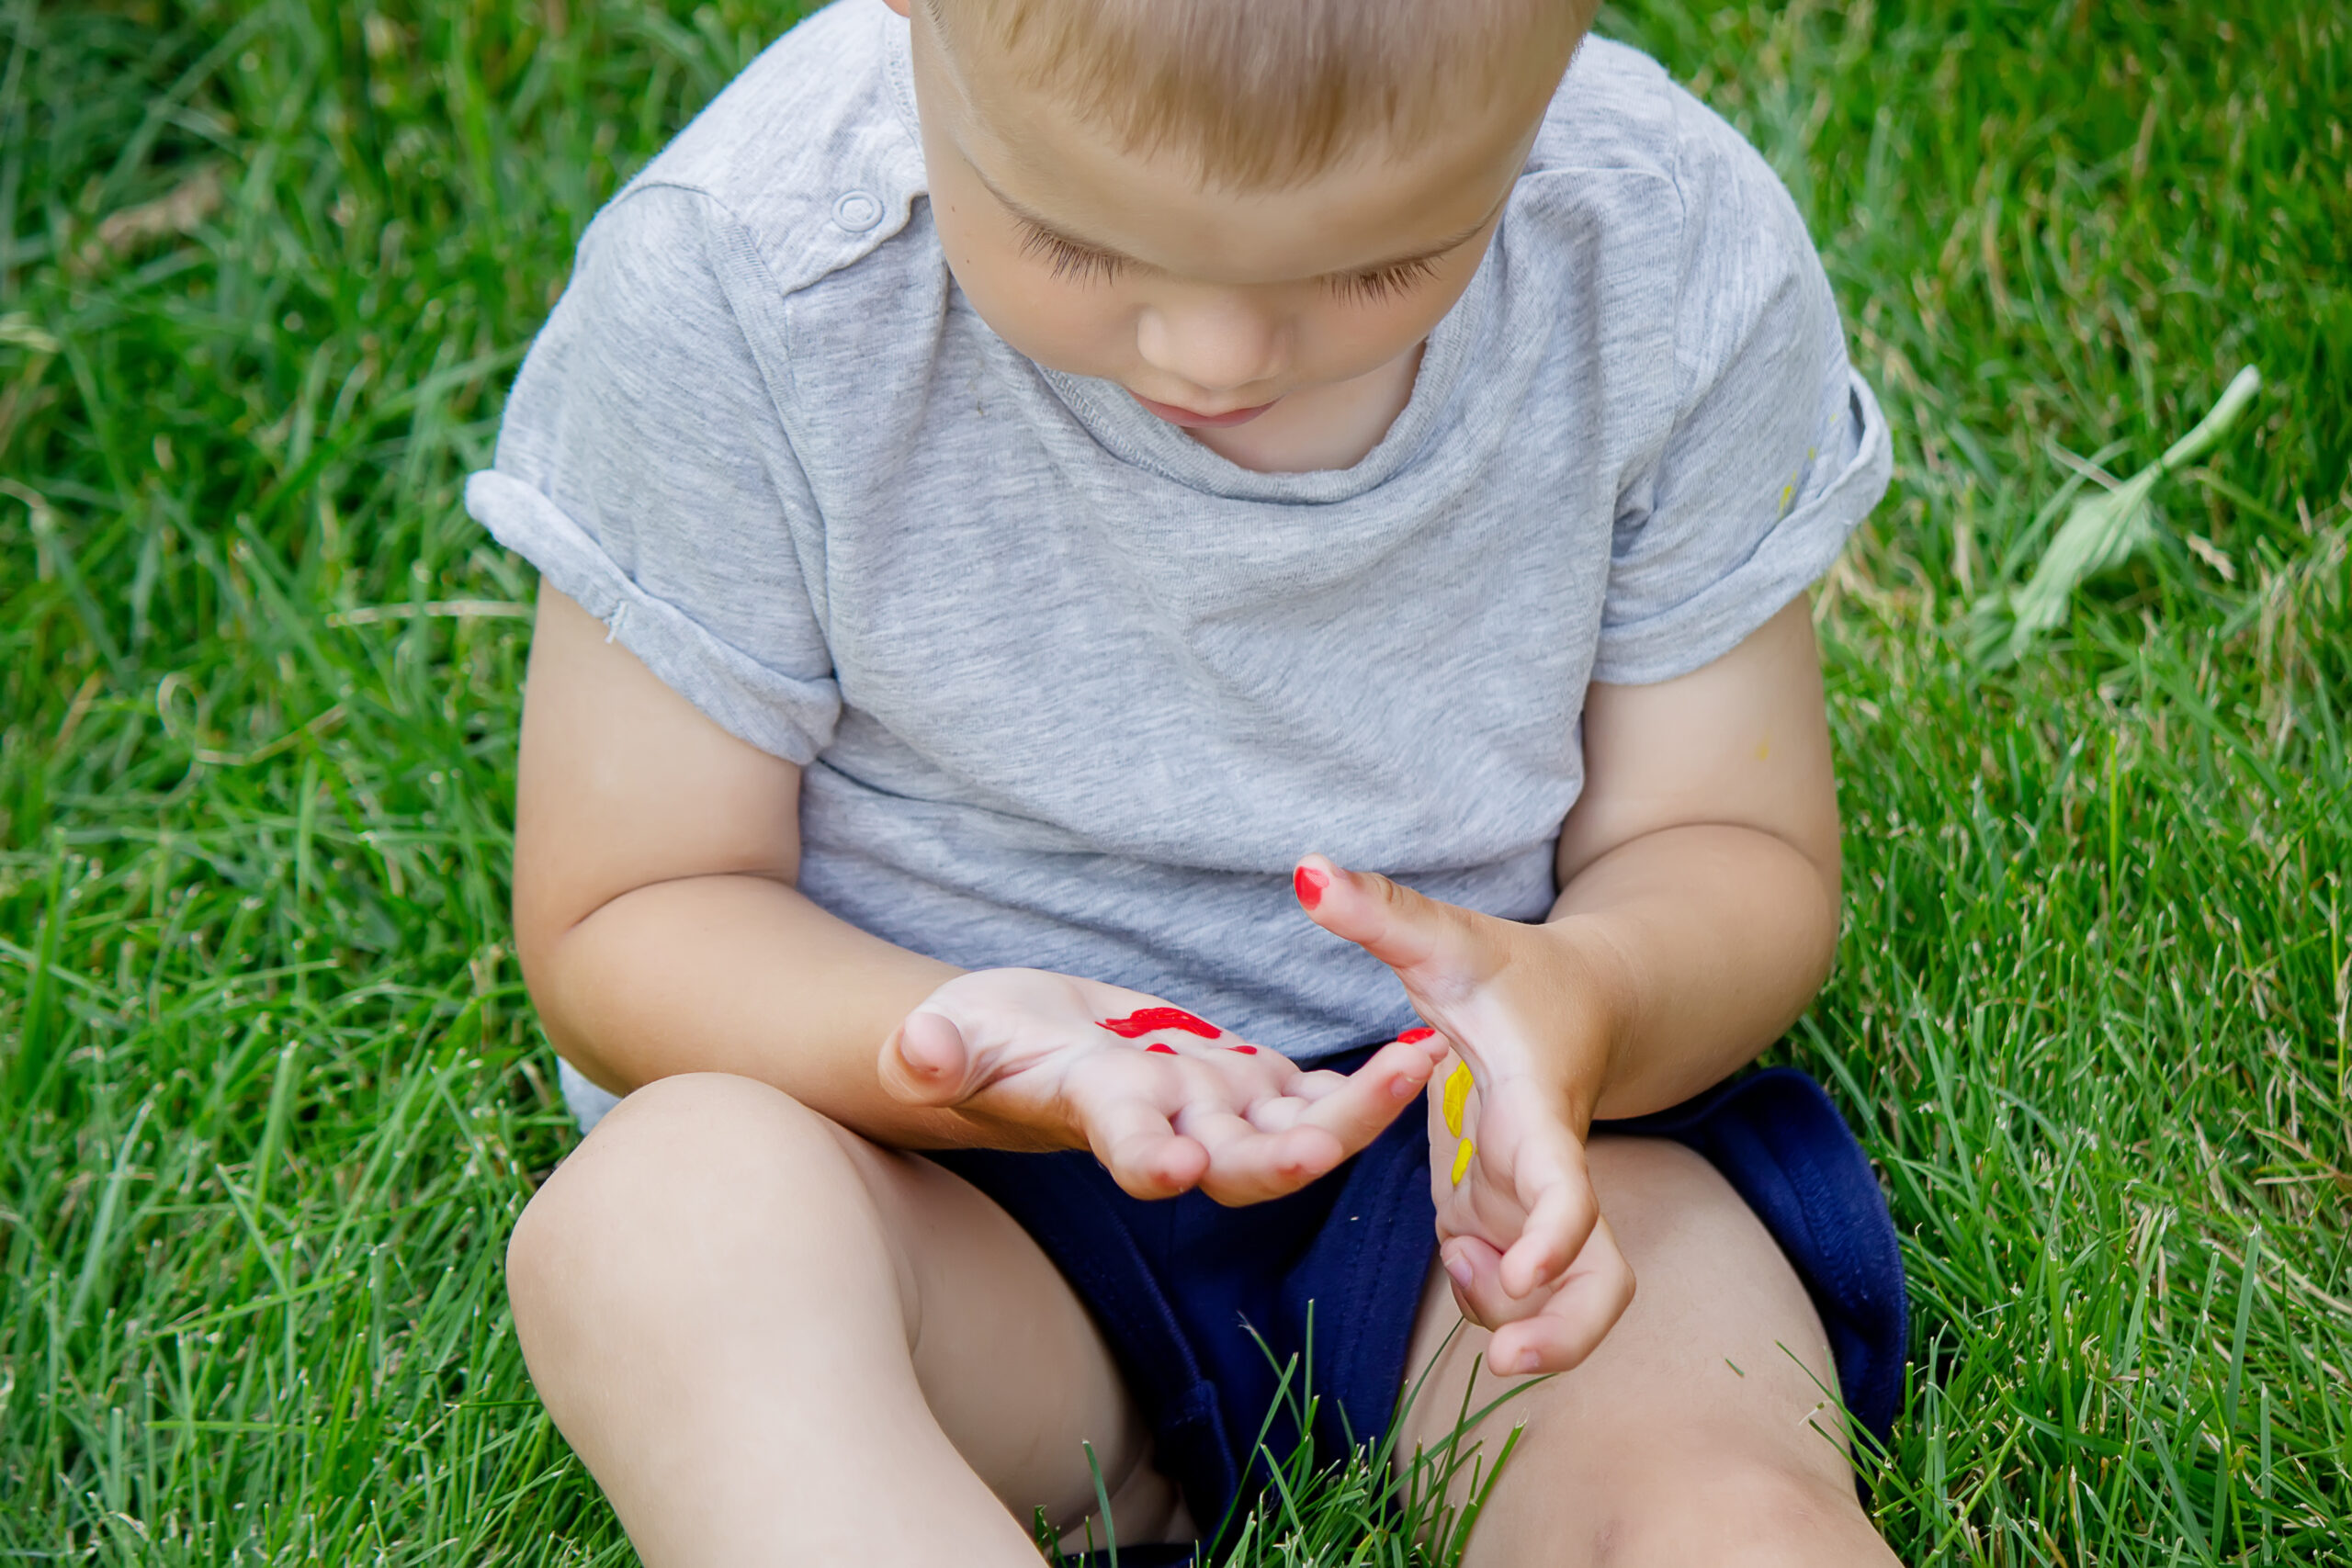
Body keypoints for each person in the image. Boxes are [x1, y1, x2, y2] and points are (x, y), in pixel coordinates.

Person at [469, 0, 1909, 1560]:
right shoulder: (752, 275)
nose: (1215, 351)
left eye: (1381, 261)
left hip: (1484, 1179)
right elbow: (632, 911)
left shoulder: (1661, 257)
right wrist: (962, 1049)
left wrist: (1588, 1002)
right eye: (1075, 239)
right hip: (950, 1194)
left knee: (1723, 1510)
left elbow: (1727, 844)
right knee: (664, 1229)